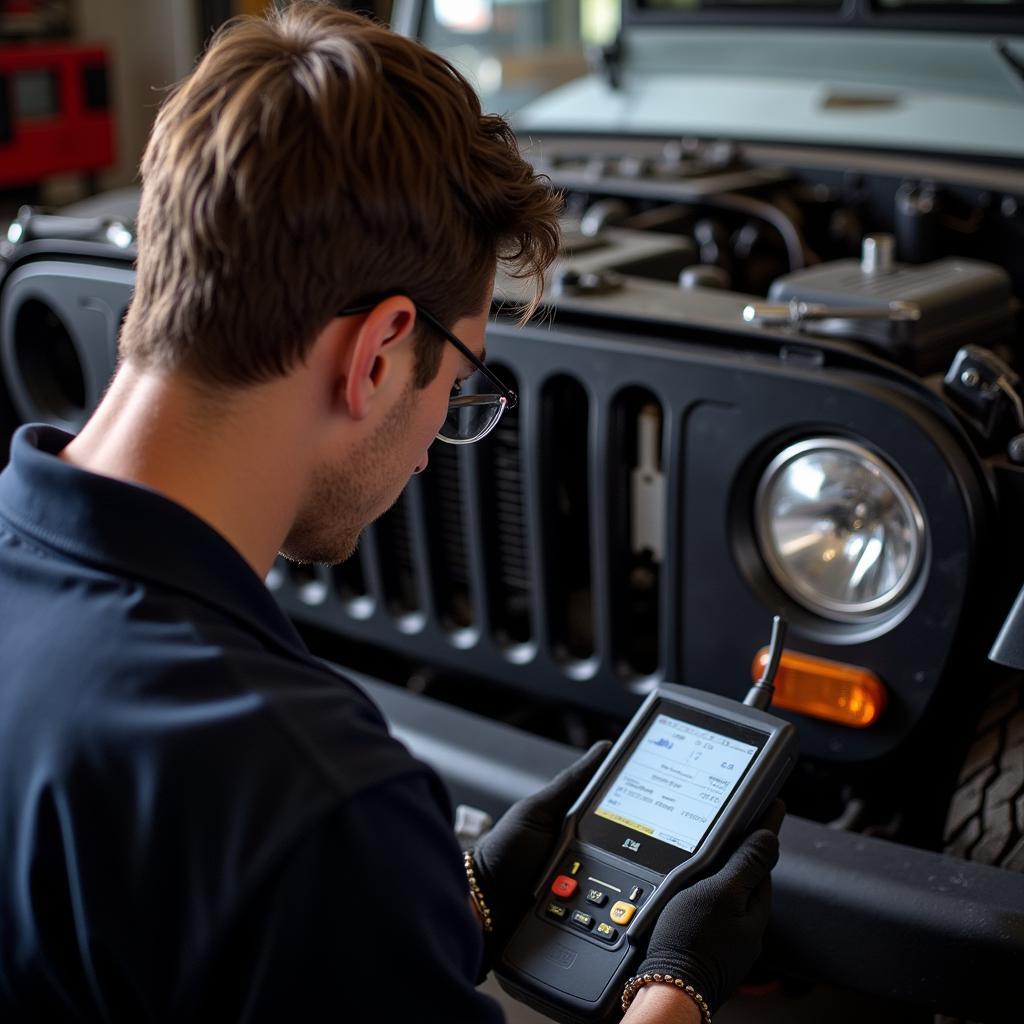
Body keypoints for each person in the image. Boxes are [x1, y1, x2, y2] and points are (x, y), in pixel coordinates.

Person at [0, 4, 782, 1021]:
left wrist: (437, 896)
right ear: (375, 353)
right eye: (459, 386)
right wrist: (675, 987)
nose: (430, 447)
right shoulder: (302, 792)